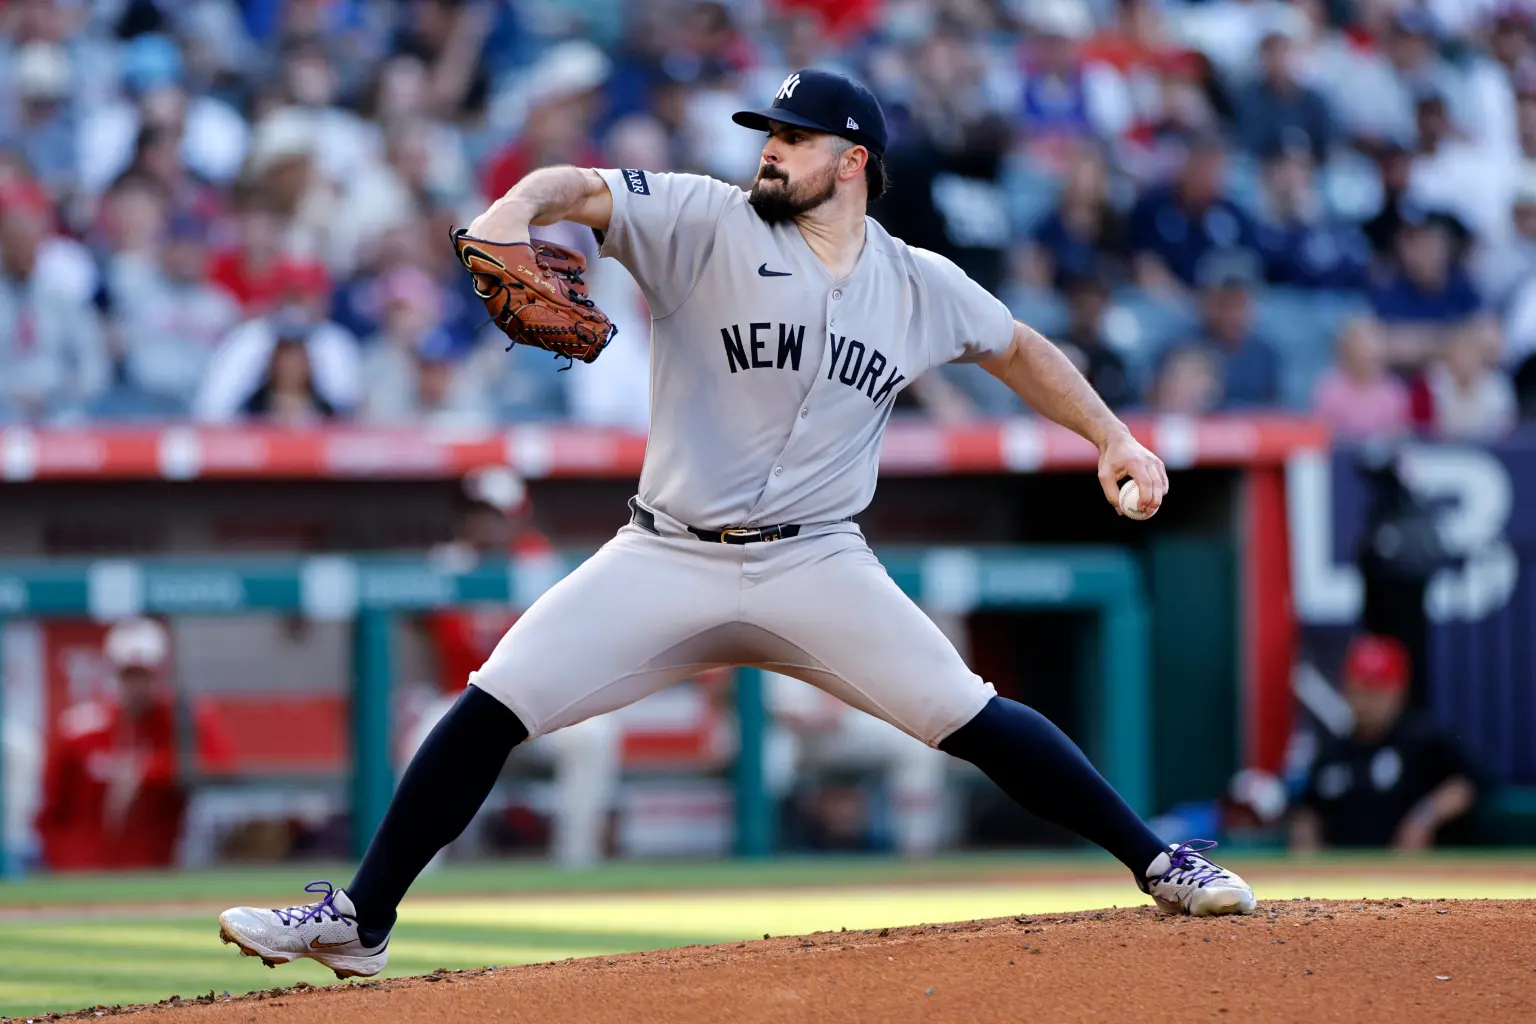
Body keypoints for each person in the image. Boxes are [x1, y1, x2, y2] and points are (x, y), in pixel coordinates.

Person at [218, 67, 1256, 981]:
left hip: (819, 564)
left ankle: (1158, 860)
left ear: (852, 161)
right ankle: (362, 918)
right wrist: (511, 210)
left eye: (793, 137)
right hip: (665, 552)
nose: (769, 149)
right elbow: (576, 187)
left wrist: (1112, 436)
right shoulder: (702, 218)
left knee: (969, 712)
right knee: (496, 701)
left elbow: (1018, 346)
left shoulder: (916, 283)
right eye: (767, 132)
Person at [401, 468, 622, 868]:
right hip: (463, 705)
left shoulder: (539, 561)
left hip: (536, 711)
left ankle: (577, 866)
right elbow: (410, 621)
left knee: (594, 735)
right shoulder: (448, 563)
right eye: (473, 513)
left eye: (492, 514)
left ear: (517, 518)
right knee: (421, 738)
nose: (481, 523)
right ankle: (414, 874)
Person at [35, 618, 234, 871]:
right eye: (129, 675)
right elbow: (51, 808)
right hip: (83, 866)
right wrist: (63, 860)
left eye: (145, 675)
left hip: (154, 866)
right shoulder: (79, 728)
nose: (137, 685)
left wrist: (148, 771)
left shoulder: (183, 720)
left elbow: (220, 765)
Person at [1290, 634, 1477, 851]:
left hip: (1407, 867)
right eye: (1356, 691)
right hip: (1345, 867)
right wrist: (1306, 837)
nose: (1363, 703)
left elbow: (1467, 783)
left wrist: (1423, 818)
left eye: (1374, 692)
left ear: (1397, 693)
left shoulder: (1422, 740)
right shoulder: (1333, 751)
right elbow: (1308, 809)